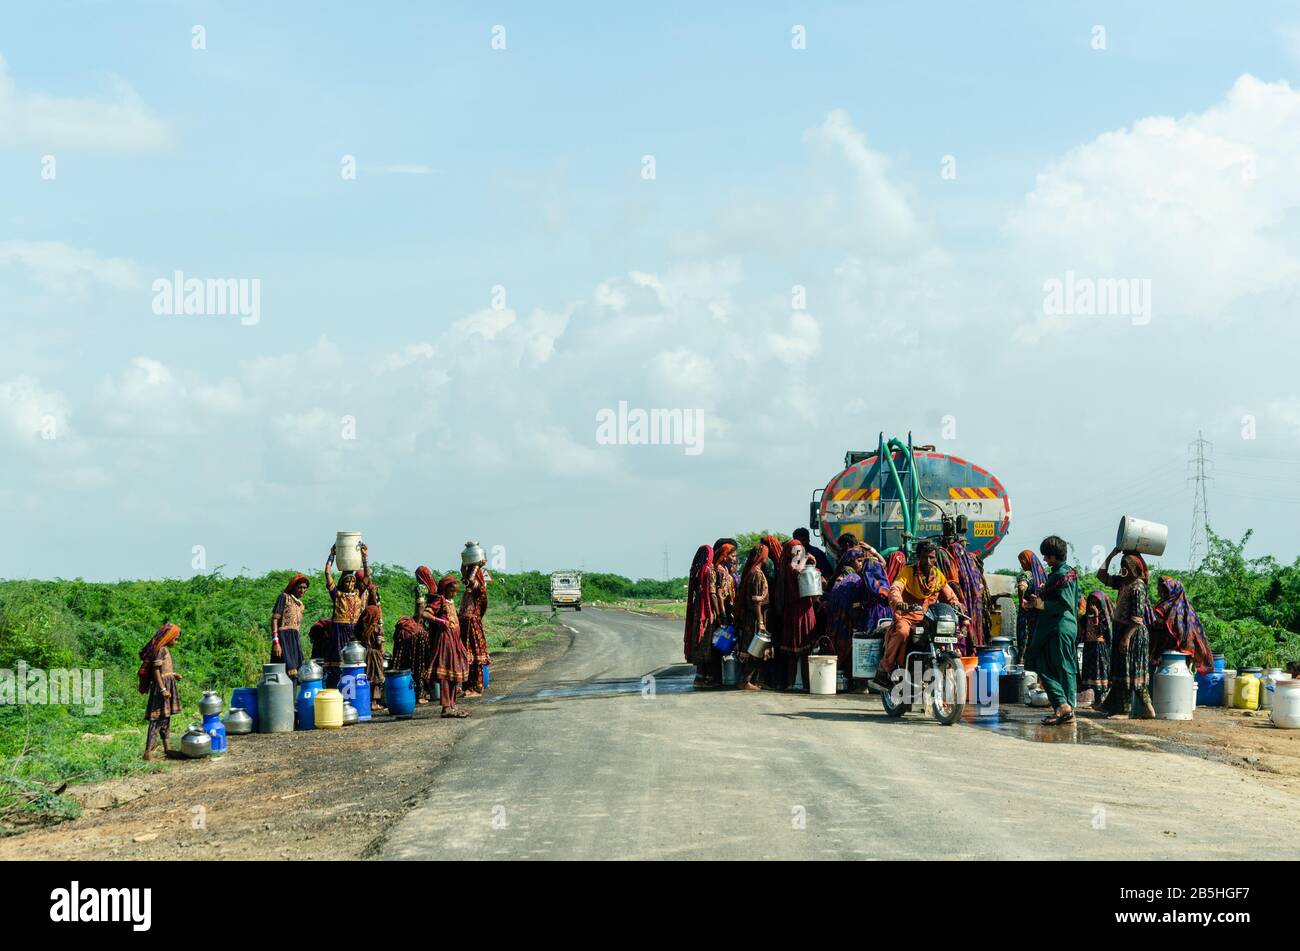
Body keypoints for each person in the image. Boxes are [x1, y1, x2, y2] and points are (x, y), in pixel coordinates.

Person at [875, 541, 963, 689]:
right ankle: (885, 667)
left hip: (928, 619)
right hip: (907, 616)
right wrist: (898, 602)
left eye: (932, 558)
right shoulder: (908, 572)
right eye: (925, 557)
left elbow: (949, 594)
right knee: (902, 632)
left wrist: (957, 603)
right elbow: (896, 588)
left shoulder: (938, 576)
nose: (928, 561)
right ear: (918, 557)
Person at [1021, 536, 1079, 725]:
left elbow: (1065, 603)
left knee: (1052, 666)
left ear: (1054, 556)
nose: (1044, 560)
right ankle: (1066, 709)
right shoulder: (1062, 573)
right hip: (1055, 627)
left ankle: (1064, 706)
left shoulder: (1063, 575)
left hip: (1058, 627)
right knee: (1059, 667)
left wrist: (1040, 604)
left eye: (1047, 556)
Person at [1096, 550, 1156, 719]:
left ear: (1134, 568)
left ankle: (1124, 711)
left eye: (1126, 566)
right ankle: (1147, 709)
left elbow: (1137, 617)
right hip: (1123, 631)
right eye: (1121, 565)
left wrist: (1126, 638)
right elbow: (1101, 575)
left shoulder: (1138, 586)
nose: (1122, 569)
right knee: (1124, 670)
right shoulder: (1123, 582)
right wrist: (1111, 555)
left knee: (1128, 672)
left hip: (1133, 633)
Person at [324, 544, 370, 688]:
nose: (350, 583)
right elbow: (327, 573)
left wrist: (364, 557)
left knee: (355, 659)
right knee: (339, 661)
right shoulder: (337, 594)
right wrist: (331, 556)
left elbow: (368, 576)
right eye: (347, 581)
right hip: (339, 630)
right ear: (343, 582)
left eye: (352, 581)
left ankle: (354, 687)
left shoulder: (358, 593)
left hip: (354, 630)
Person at [426, 574, 471, 717]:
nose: (454, 594)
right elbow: (426, 614)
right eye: (452, 590)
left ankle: (452, 705)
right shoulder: (440, 601)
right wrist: (442, 622)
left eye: (456, 591)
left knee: (454, 674)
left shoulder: (450, 602)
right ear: (445, 589)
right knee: (446, 673)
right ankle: (446, 708)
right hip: (445, 640)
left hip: (455, 640)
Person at [778, 538, 820, 690]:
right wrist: (805, 558)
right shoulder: (790, 566)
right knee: (796, 651)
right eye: (795, 551)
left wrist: (811, 563)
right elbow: (798, 571)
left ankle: (805, 685)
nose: (798, 553)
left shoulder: (797, 564)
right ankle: (792, 684)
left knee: (805, 652)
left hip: (805, 609)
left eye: (800, 550)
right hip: (797, 611)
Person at [1151, 576, 1214, 674]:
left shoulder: (1164, 607)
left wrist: (1156, 655)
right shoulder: (1188, 608)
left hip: (1166, 654)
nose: (1158, 590)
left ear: (1169, 590)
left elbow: (1159, 630)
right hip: (1186, 652)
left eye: (1161, 587)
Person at [139, 622, 182, 761]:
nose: (177, 641)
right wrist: (163, 688)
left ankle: (167, 749)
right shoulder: (161, 650)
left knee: (165, 717)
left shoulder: (164, 650)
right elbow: (155, 670)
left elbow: (164, 670)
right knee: (157, 719)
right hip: (162, 690)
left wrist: (173, 675)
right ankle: (148, 753)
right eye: (176, 638)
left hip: (166, 687)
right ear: (168, 637)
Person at [393, 566, 437, 704]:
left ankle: (420, 692)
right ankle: (427, 692)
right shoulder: (435, 590)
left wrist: (418, 625)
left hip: (423, 624)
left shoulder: (421, 589)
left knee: (419, 661)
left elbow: (420, 609)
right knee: (426, 659)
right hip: (433, 626)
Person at [826, 547, 869, 671]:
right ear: (850, 561)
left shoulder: (839, 577)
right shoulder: (855, 580)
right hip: (846, 622)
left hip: (834, 623)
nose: (861, 564)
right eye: (859, 561)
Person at [735, 541, 771, 690]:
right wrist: (761, 621)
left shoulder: (753, 571)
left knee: (758, 649)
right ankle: (745, 680)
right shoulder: (756, 573)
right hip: (755, 618)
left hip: (755, 616)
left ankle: (756, 681)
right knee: (755, 649)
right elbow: (756, 600)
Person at [684, 545, 718, 688]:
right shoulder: (709, 571)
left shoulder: (696, 572)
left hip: (697, 611)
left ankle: (699, 676)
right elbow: (711, 594)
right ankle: (707, 678)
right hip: (707, 612)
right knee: (707, 645)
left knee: (699, 643)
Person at [944, 536, 986, 652]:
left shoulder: (958, 569)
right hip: (976, 607)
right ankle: (973, 651)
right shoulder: (971, 565)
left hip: (963, 605)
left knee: (964, 629)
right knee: (972, 627)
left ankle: (967, 652)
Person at [459, 559, 491, 697]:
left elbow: (471, 580)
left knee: (476, 657)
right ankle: (468, 687)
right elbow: (464, 576)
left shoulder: (479, 588)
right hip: (465, 626)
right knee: (467, 657)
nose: (467, 577)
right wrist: (464, 562)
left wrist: (477, 566)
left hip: (473, 626)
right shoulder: (469, 590)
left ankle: (476, 688)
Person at [271, 573, 309, 682]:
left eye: (304, 588)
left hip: (294, 640)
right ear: (293, 587)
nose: (302, 591)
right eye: (300, 587)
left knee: (298, 673)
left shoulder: (300, 605)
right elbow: (274, 619)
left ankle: (293, 699)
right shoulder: (284, 597)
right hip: (283, 639)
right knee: (286, 671)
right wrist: (276, 641)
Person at [1080, 591, 1113, 711]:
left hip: (1099, 648)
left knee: (1100, 674)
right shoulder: (1086, 616)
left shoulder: (1104, 617)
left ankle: (1100, 701)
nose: (1093, 605)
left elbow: (1100, 631)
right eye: (1091, 602)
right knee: (1092, 675)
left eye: (1096, 602)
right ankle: (1097, 701)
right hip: (1089, 647)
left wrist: (1096, 616)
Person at [1016, 549, 1048, 665]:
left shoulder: (1028, 574)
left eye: (1022, 562)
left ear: (1027, 561)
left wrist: (1021, 601)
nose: (1021, 565)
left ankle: (1024, 670)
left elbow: (1021, 587)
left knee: (1024, 643)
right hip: (1040, 617)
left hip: (1027, 617)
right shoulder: (1043, 575)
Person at [358, 604, 386, 712]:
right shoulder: (377, 628)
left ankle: (366, 701)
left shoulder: (361, 628)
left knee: (366, 677)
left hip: (364, 655)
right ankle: (374, 703)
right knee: (376, 678)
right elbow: (379, 643)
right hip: (375, 655)